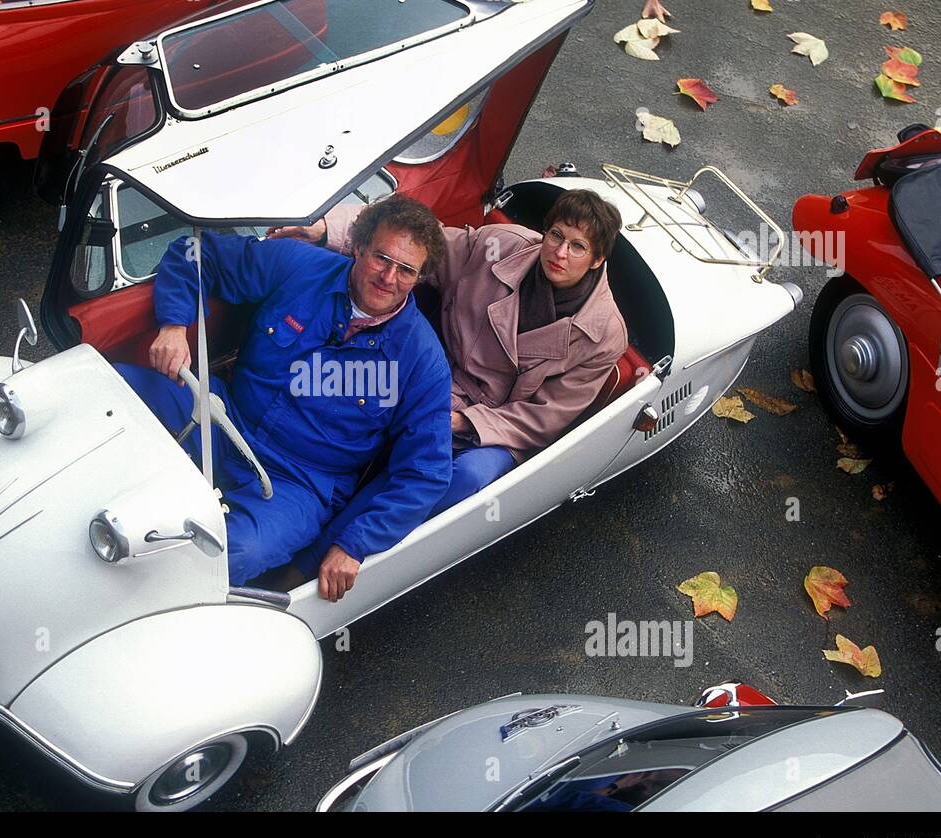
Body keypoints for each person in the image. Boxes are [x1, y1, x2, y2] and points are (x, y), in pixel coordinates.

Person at [271, 188, 627, 574]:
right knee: (353, 401)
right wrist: (326, 228)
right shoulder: (499, 247)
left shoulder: (604, 335)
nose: (559, 253)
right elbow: (417, 240)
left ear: (597, 259)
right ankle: (287, 511)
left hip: (501, 430)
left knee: (460, 474)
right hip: (439, 378)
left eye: (577, 247)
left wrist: (459, 421)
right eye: (556, 236)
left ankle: (321, 567)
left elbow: (543, 418)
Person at [116, 194, 453, 602]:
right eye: (382, 258)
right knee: (114, 391)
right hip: (223, 417)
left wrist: (355, 544)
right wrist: (174, 324)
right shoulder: (299, 265)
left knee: (233, 553)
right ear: (359, 245)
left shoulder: (423, 359)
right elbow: (195, 253)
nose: (389, 277)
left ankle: (130, 602)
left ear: (419, 278)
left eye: (406, 270)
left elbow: (425, 472)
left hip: (298, 485)